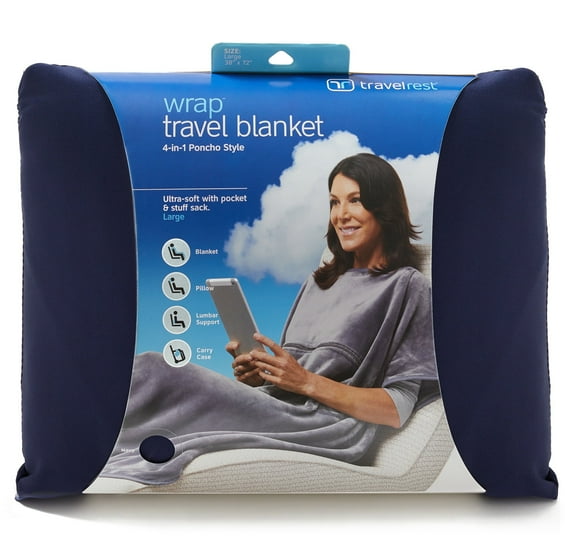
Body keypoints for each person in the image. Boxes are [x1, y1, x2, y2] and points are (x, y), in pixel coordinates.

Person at [99, 153, 440, 486]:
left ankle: (90, 443)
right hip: (276, 405)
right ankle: (93, 442)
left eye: (355, 201)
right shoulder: (320, 281)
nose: (341, 215)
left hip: (322, 425)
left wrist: (306, 382)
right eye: (334, 202)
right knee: (152, 370)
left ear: (385, 208)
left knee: (157, 369)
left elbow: (398, 408)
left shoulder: (407, 286)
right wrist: (259, 375)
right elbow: (290, 376)